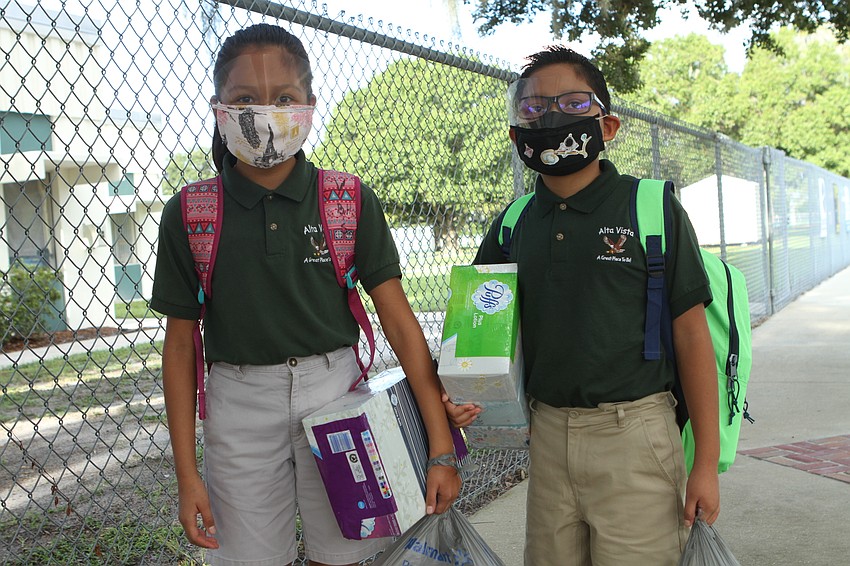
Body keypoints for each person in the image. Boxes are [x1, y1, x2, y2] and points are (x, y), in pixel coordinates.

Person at [151, 23, 461, 566]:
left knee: (343, 554)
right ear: (220, 109)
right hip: (237, 404)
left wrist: (440, 447)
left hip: (336, 394)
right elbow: (180, 346)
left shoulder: (346, 198)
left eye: (284, 98)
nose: (265, 112)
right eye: (245, 98)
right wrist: (187, 477)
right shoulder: (191, 212)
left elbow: (398, 320)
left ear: (310, 105)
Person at [443, 45, 720, 566]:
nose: (550, 117)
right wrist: (461, 393)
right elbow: (479, 328)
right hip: (546, 438)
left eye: (572, 104)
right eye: (532, 108)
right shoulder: (513, 223)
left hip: (635, 435)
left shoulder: (651, 207)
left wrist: (704, 461)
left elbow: (690, 334)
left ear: (608, 125)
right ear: (514, 135)